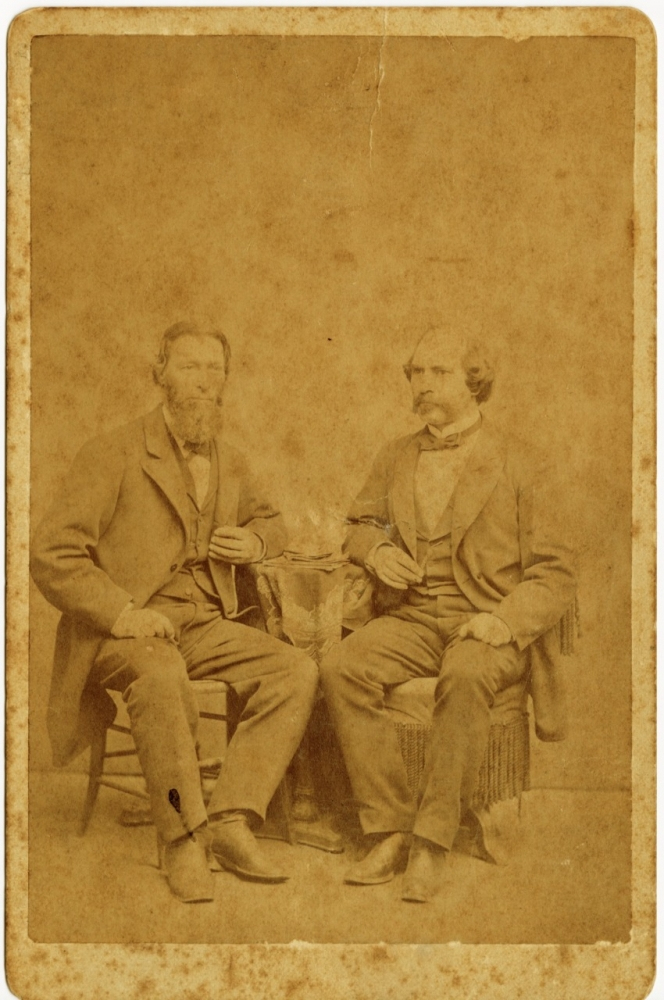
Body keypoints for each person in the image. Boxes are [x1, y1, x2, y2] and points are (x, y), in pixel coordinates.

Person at [30, 321, 319, 903]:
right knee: (160, 677)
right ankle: (184, 838)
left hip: (202, 622)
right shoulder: (112, 452)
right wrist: (123, 612)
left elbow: (273, 522)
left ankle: (232, 820)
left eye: (215, 370)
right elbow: (50, 552)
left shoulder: (230, 460)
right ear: (158, 373)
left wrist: (256, 543)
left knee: (296, 671)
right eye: (190, 367)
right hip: (124, 630)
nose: (204, 383)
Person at [320, 327, 576, 903]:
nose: (422, 385)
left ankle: (431, 841)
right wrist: (377, 550)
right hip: (412, 618)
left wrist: (504, 622)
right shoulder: (396, 454)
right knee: (341, 666)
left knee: (463, 676)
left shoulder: (520, 459)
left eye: (438, 372)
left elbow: (556, 572)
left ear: (474, 379)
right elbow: (357, 527)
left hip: (486, 622)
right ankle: (387, 828)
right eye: (415, 373)